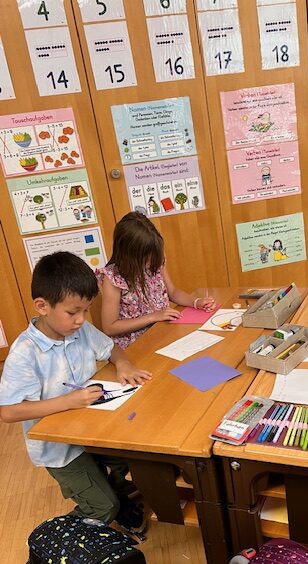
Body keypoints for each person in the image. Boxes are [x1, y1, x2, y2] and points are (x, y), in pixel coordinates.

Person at [0, 252, 152, 529]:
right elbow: (8, 412)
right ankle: (62, 537)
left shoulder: (79, 330)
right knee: (103, 507)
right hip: (59, 449)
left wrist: (124, 364)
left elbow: (111, 348)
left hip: (92, 430)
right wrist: (68, 401)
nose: (81, 320)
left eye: (86, 310)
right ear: (42, 306)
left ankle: (116, 494)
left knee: (138, 456)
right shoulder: (25, 352)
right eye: (73, 312)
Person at [97, 212, 215, 349]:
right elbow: (110, 327)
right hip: (137, 346)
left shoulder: (155, 261)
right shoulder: (113, 278)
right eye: (146, 258)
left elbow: (173, 292)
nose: (152, 262)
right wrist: (153, 317)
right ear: (129, 255)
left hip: (164, 332)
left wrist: (196, 302)